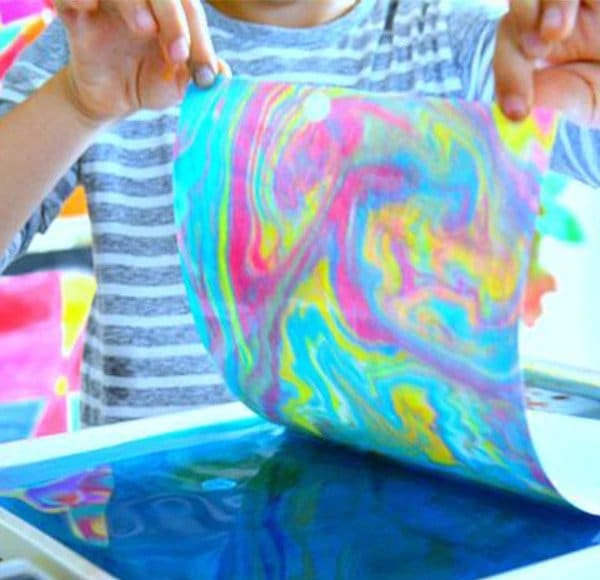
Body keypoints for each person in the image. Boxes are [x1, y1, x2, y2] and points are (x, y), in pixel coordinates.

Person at [0, 0, 598, 427]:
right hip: (144, 531)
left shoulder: (464, 46)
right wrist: (78, 102)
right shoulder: (105, 38)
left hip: (391, 531)